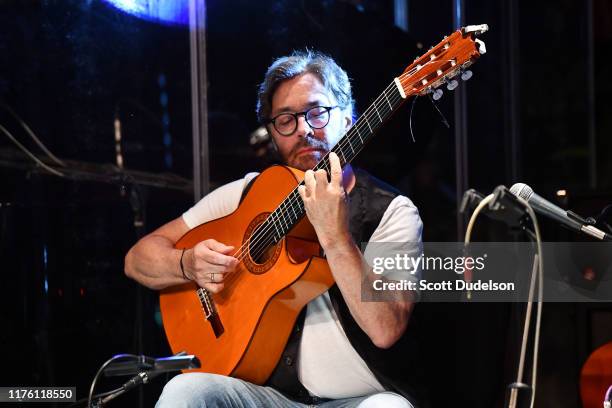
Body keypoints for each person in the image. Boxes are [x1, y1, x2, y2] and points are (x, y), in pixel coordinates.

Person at [124, 50, 424, 408]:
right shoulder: (247, 193)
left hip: (359, 401)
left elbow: (385, 329)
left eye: (317, 112)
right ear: (272, 133)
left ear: (348, 118)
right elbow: (137, 259)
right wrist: (187, 263)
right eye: (285, 120)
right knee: (184, 391)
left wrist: (335, 237)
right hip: (268, 398)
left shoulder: (392, 212)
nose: (302, 130)